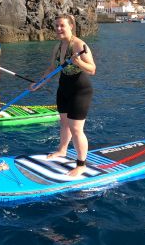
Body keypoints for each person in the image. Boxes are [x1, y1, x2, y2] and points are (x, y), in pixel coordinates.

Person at [30, 14, 96, 177]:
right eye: (56, 26)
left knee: (76, 129)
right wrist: (39, 83)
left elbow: (92, 69)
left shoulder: (79, 44)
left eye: (62, 26)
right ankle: (62, 150)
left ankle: (81, 165)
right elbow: (52, 68)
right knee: (64, 123)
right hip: (64, 88)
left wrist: (78, 62)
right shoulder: (58, 46)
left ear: (71, 26)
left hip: (80, 90)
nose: (59, 29)